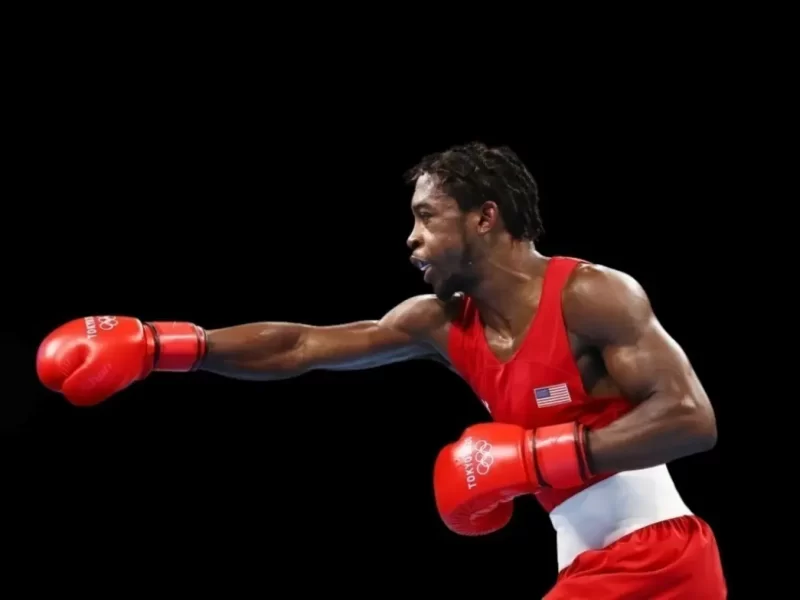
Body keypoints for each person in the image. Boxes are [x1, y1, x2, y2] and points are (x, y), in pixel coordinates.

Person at [36, 142, 726, 597]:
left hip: (658, 558)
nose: (412, 239)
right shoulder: (441, 324)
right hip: (586, 562)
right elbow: (303, 346)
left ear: (486, 217)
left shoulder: (590, 294)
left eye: (426, 219)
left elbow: (692, 419)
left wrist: (535, 460)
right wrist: (167, 346)